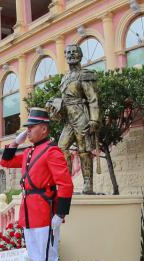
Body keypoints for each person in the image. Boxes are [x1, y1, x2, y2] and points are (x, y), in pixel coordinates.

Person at [0, 108, 74, 261]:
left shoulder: (52, 151)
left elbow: (65, 185)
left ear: (44, 128)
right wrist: (17, 140)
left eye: (31, 128)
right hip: (29, 212)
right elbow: (5, 162)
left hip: (44, 212)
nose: (29, 131)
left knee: (48, 259)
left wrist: (59, 214)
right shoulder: (30, 152)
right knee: (36, 258)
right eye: (28, 128)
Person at [47, 43, 100, 194]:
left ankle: (88, 184)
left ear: (80, 55)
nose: (71, 55)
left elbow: (93, 98)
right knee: (61, 147)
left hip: (81, 115)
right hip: (68, 118)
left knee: (84, 150)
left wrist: (95, 119)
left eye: (74, 52)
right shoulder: (65, 78)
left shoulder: (85, 75)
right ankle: (65, 181)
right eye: (68, 52)